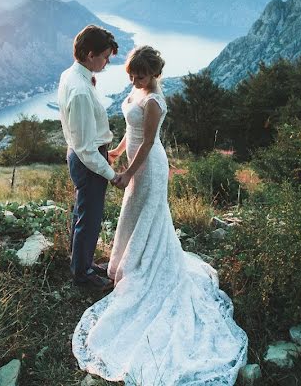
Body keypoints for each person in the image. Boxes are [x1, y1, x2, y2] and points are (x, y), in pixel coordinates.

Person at [73, 45, 248, 385]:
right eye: (131, 75)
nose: (134, 80)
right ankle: (132, 263)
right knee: (134, 215)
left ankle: (147, 266)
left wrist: (127, 173)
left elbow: (149, 143)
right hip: (135, 159)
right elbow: (131, 131)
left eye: (139, 76)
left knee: (148, 215)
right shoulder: (138, 90)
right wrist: (117, 151)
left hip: (149, 168)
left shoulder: (154, 101)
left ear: (153, 74)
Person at [58, 25, 126, 291]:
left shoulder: (73, 75)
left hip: (82, 153)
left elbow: (83, 136)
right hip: (87, 161)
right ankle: (83, 276)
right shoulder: (82, 91)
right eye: (105, 56)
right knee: (90, 217)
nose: (107, 62)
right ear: (89, 54)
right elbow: (86, 149)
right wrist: (112, 174)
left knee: (83, 213)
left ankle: (82, 263)